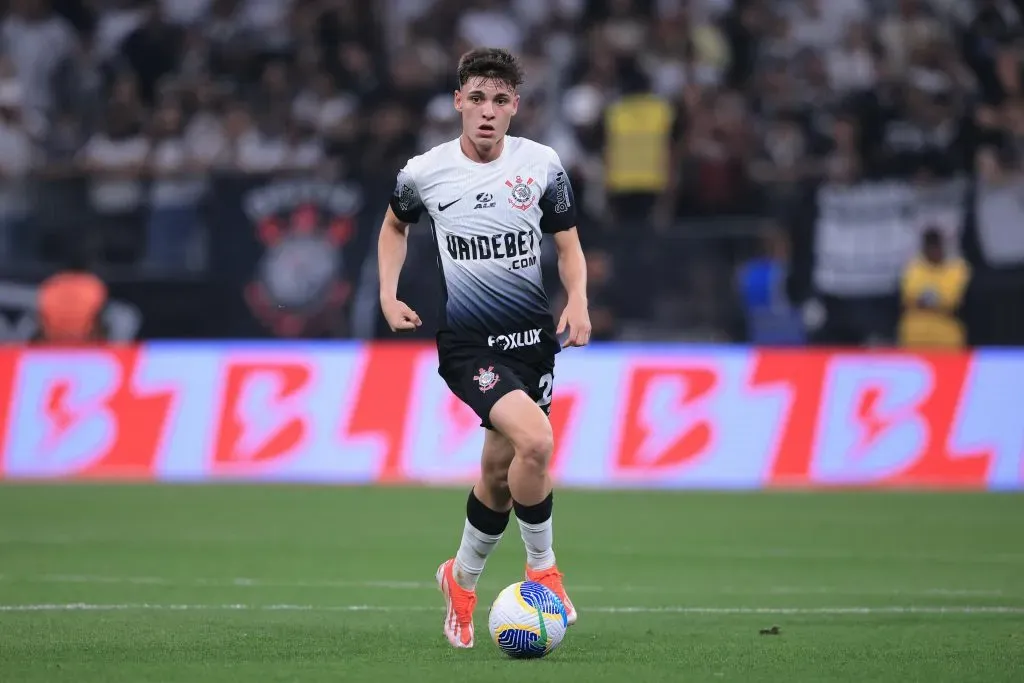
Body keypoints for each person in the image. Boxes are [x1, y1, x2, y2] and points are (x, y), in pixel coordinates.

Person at [377, 47, 591, 649]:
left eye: (500, 100)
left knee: (501, 472)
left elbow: (570, 244)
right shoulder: (425, 172)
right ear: (458, 103)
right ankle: (544, 570)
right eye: (476, 98)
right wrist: (388, 295)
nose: (487, 111)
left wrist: (577, 301)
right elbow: (395, 226)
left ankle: (461, 579)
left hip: (533, 344)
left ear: (515, 106)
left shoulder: (542, 164)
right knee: (538, 442)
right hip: (471, 346)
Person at [898, 226, 971, 349]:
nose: (933, 251)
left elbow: (950, 300)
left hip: (946, 339)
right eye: (929, 247)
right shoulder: (913, 267)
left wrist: (925, 299)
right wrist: (935, 299)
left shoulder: (957, 268)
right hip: (914, 339)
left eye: (936, 246)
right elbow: (909, 296)